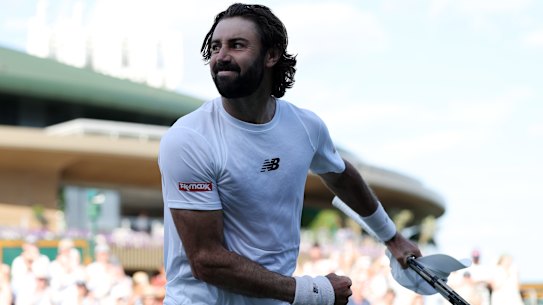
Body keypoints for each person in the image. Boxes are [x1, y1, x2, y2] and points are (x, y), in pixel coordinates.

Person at [158, 3, 421, 305]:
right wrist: (315, 292)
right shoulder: (188, 139)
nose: (222, 56)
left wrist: (393, 238)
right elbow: (206, 260)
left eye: (237, 45)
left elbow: (341, 176)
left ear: (271, 55)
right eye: (215, 47)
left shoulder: (305, 127)